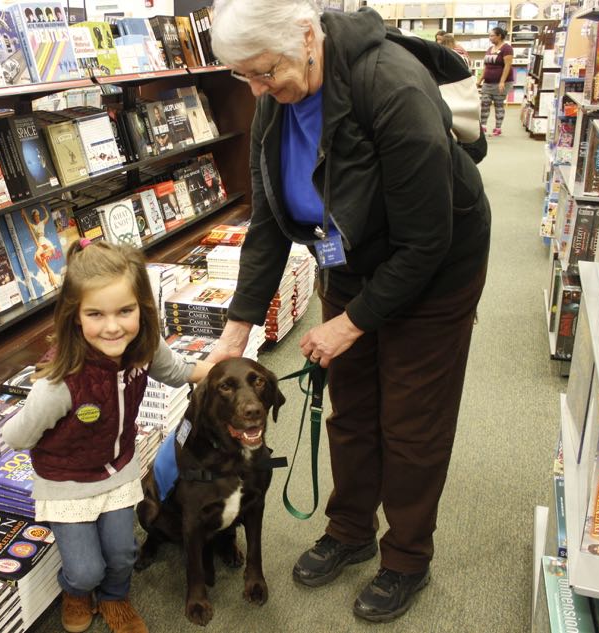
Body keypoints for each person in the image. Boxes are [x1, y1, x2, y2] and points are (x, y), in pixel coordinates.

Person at [210, 0, 490, 623]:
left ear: (307, 36)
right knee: (353, 407)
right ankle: (350, 528)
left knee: (413, 422)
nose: (257, 90)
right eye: (244, 77)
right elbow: (267, 223)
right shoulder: (272, 96)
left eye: (264, 72)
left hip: (435, 268)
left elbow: (426, 241)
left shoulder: (392, 85)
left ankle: (407, 558)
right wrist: (236, 330)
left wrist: (351, 322)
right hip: (351, 260)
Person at [0, 240, 212, 633]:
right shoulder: (60, 383)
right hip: (66, 482)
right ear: (74, 316)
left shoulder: (144, 346)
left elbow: (179, 371)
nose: (113, 326)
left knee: (123, 554)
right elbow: (15, 435)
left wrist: (221, 369)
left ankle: (115, 598)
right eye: (95, 314)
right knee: (84, 569)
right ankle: (76, 592)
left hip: (117, 471)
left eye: (125, 311)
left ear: (142, 310)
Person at [479, 26, 514, 137]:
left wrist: (502, 82)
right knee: (484, 103)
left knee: (498, 104)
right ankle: (483, 127)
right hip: (488, 82)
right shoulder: (490, 49)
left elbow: (507, 66)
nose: (490, 38)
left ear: (499, 36)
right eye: (489, 36)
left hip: (501, 83)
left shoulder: (507, 48)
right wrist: (480, 79)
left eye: (492, 35)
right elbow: (486, 66)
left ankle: (498, 128)